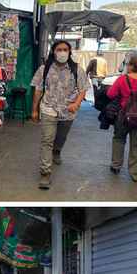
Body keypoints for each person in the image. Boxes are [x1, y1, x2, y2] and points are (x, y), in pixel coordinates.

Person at [31, 40, 90, 189]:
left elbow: (83, 89)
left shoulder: (77, 70)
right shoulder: (44, 69)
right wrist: (34, 109)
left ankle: (57, 151)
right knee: (47, 140)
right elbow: (38, 89)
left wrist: (76, 104)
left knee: (61, 137)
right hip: (48, 108)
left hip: (68, 111)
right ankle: (45, 173)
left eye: (65, 49)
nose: (62, 52)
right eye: (59, 49)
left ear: (69, 52)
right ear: (54, 51)